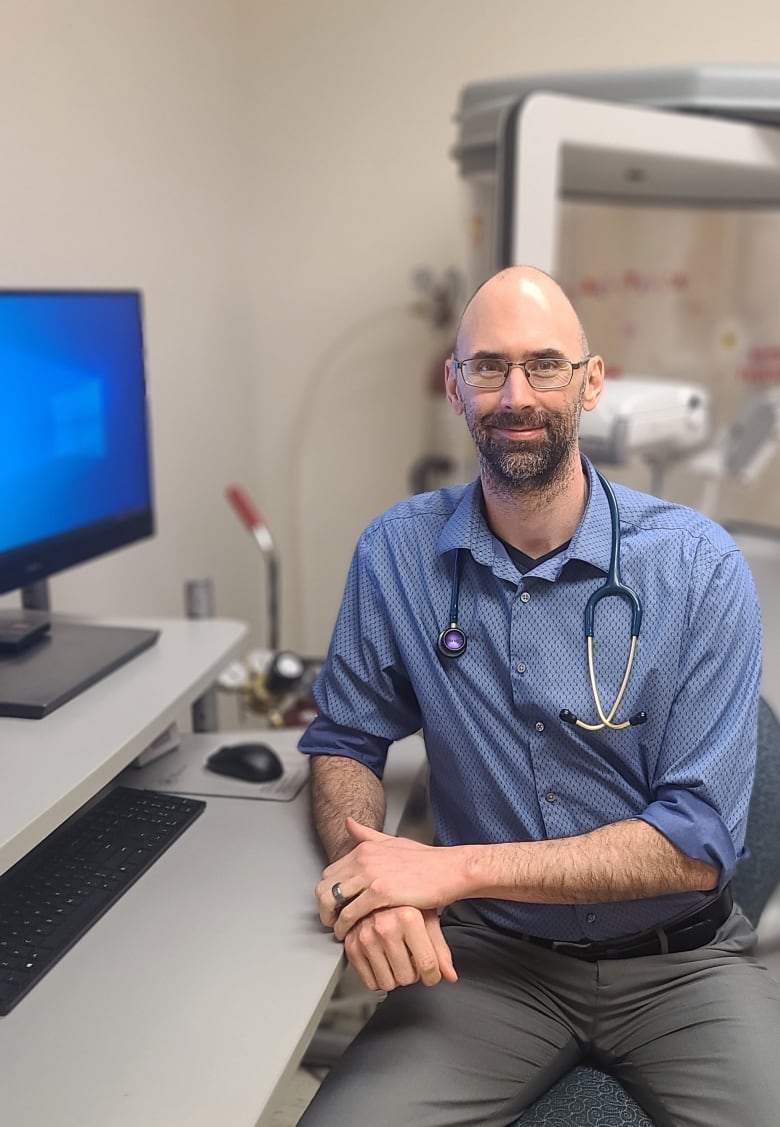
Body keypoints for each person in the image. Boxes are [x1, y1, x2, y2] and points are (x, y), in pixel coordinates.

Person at [296, 265, 780, 1126]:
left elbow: (695, 843)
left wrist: (445, 869)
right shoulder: (398, 556)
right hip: (491, 968)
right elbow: (345, 739)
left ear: (591, 382)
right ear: (456, 386)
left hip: (683, 965)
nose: (516, 394)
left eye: (544, 364)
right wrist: (364, 877)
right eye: (488, 367)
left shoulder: (698, 570)